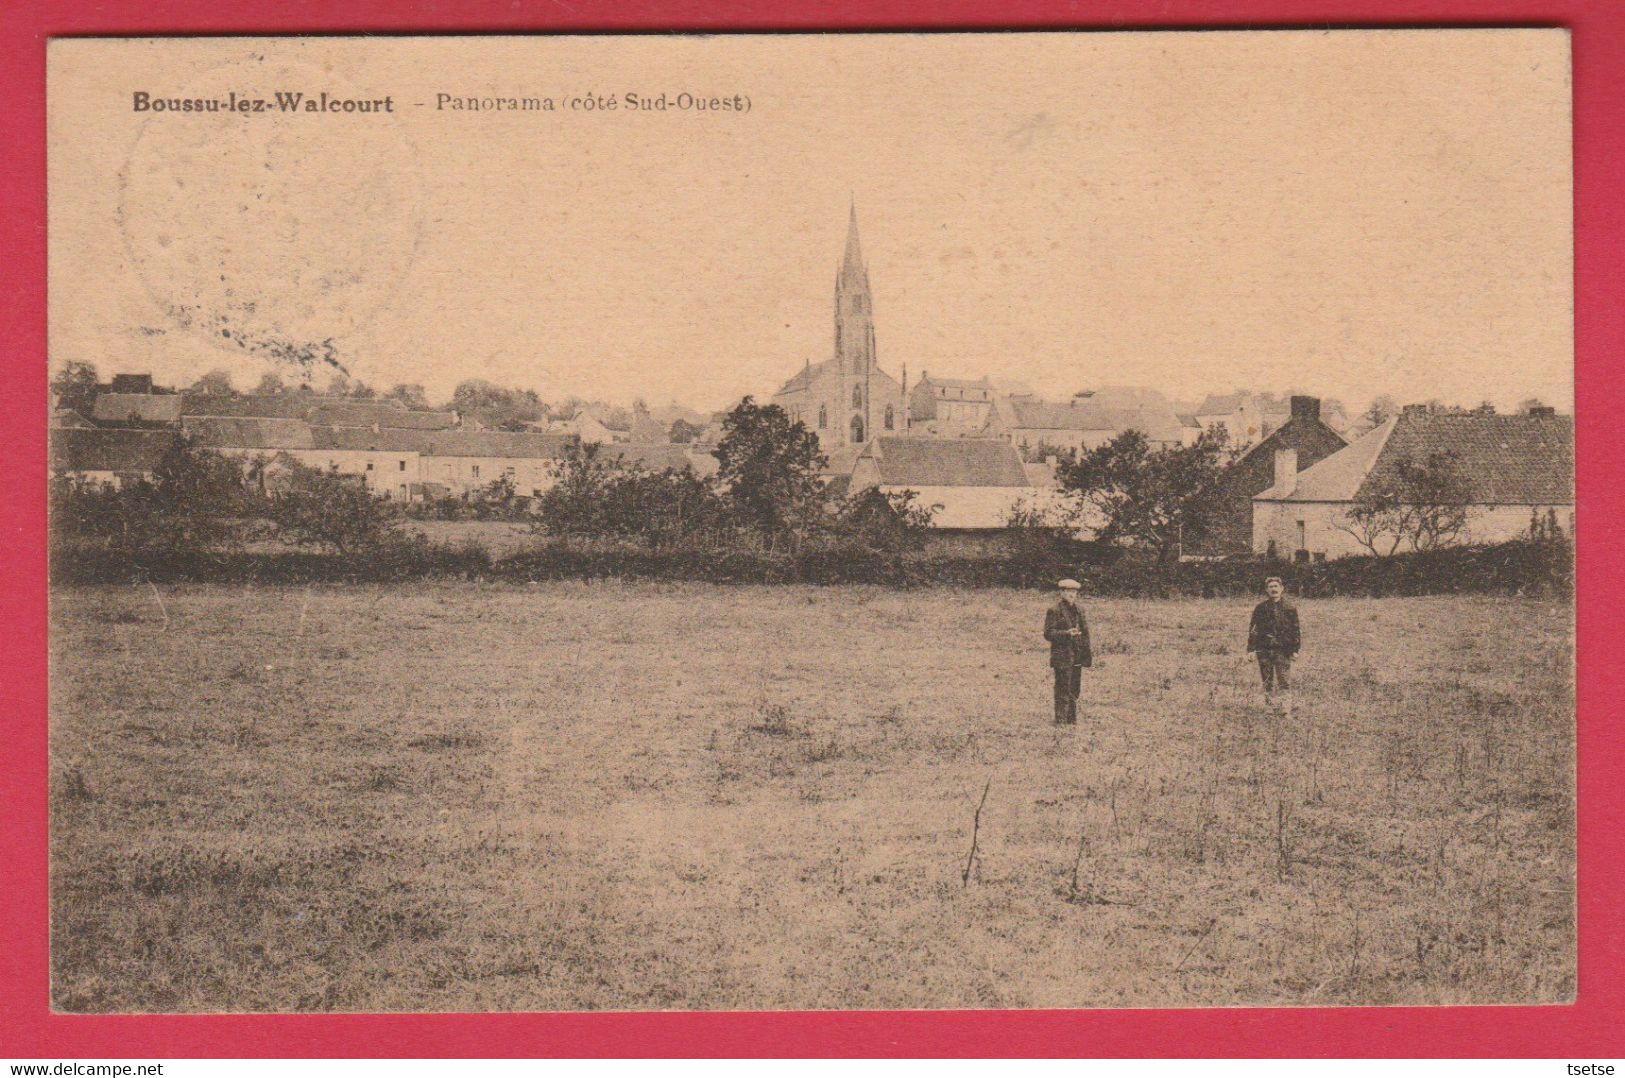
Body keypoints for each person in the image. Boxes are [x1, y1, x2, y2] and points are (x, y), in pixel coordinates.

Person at [1247, 576, 1301, 714]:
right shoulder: (1260, 608)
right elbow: (1254, 629)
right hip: (1264, 649)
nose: (1274, 589)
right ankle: (1269, 707)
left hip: (1283, 649)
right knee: (1267, 680)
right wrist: (1251, 649)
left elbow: (1295, 630)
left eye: (1276, 586)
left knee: (1284, 680)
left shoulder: (1290, 608)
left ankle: (1285, 709)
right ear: (1266, 590)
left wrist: (1295, 649)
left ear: (1282, 589)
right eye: (1270, 587)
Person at [1043, 578, 1092, 726]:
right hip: (1062, 655)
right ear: (1062, 592)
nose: (1072, 594)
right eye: (1069, 591)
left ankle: (1072, 720)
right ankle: (1061, 721)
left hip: (1077, 655)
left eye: (1074, 591)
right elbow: (1048, 633)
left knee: (1075, 689)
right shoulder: (1054, 610)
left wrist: (1086, 654)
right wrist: (1066, 633)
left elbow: (1085, 632)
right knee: (1062, 687)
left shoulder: (1080, 610)